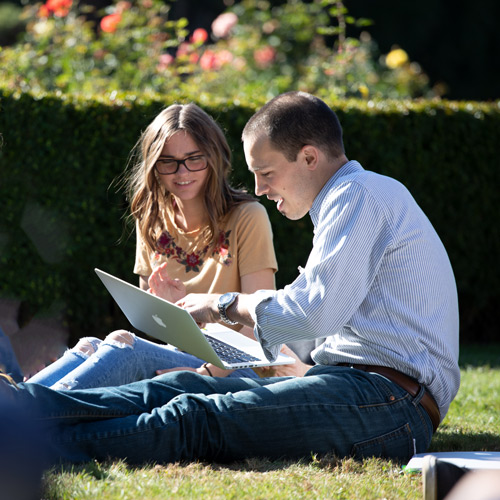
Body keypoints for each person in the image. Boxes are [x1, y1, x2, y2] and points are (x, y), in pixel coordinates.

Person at [0, 91, 460, 467]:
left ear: (309, 157)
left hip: (389, 404)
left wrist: (222, 304)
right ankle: (14, 412)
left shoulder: (358, 196)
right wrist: (248, 359)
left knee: (193, 416)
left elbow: (313, 311)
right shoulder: (354, 200)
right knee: (181, 388)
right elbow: (315, 324)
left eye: (266, 173)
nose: (259, 188)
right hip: (355, 387)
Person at [26, 102, 296, 389]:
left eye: (194, 159)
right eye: (168, 161)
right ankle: (16, 401)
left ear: (214, 157)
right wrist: (170, 308)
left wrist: (202, 374)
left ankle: (29, 412)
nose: (182, 173)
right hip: (185, 356)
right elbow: (157, 325)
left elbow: (260, 322)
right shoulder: (152, 220)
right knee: (88, 345)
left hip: (240, 369)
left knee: (122, 343)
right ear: (154, 164)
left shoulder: (247, 217)